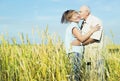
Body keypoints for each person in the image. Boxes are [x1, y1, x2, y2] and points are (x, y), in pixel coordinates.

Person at [61, 9, 100, 81]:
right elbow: (82, 38)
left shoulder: (76, 26)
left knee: (76, 72)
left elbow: (80, 37)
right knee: (75, 74)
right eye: (74, 16)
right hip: (75, 53)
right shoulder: (74, 26)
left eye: (76, 13)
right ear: (70, 19)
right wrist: (92, 30)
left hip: (75, 53)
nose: (77, 16)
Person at [72, 5, 105, 81]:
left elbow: (94, 38)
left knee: (98, 75)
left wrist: (80, 44)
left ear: (87, 12)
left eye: (80, 12)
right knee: (89, 75)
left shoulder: (96, 21)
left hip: (96, 53)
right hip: (87, 53)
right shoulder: (83, 23)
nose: (79, 13)